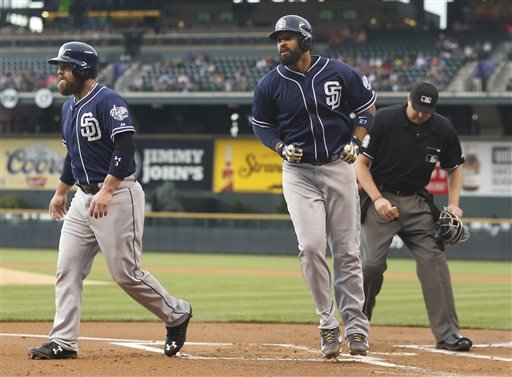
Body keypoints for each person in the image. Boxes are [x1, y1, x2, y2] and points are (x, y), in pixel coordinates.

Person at [28, 42, 192, 360]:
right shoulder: (67, 108)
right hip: (82, 199)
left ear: (83, 69)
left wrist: (107, 189)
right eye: (58, 66)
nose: (59, 71)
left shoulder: (108, 100)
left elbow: (125, 147)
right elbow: (72, 156)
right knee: (68, 269)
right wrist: (62, 190)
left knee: (125, 273)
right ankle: (63, 341)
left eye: (65, 66)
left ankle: (177, 314)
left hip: (117, 194)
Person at [251, 15, 376, 358]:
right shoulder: (270, 83)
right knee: (310, 247)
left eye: (288, 38)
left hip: (338, 166)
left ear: (305, 40)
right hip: (298, 172)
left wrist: (357, 139)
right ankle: (327, 324)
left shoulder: (339, 72)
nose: (281, 44)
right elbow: (261, 126)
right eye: (278, 38)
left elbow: (367, 110)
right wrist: (278, 146)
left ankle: (356, 328)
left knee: (348, 251)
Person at [354, 81, 473, 352]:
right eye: (416, 108)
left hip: (417, 201)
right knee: (371, 265)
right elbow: (360, 165)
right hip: (380, 198)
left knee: (434, 260)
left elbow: (455, 168)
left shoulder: (442, 128)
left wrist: (454, 205)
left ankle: (448, 334)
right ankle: (357, 328)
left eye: (426, 111)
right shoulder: (384, 120)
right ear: (408, 99)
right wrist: (377, 199)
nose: (420, 114)